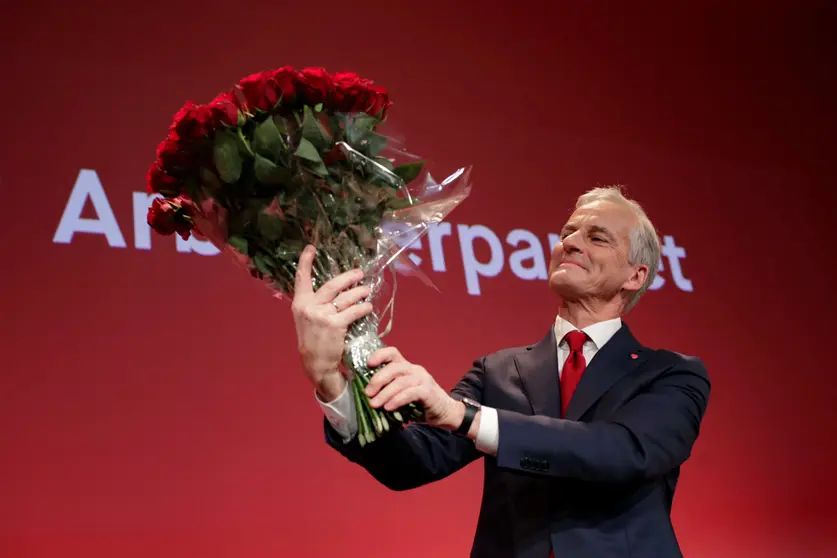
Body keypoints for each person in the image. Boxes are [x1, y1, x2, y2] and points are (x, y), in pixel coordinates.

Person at [291, 187, 711, 558]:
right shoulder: (500, 370)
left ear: (635, 276)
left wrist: (466, 416)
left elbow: (625, 452)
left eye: (596, 237)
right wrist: (330, 379)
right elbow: (411, 464)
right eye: (567, 233)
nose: (569, 244)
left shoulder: (672, 374)